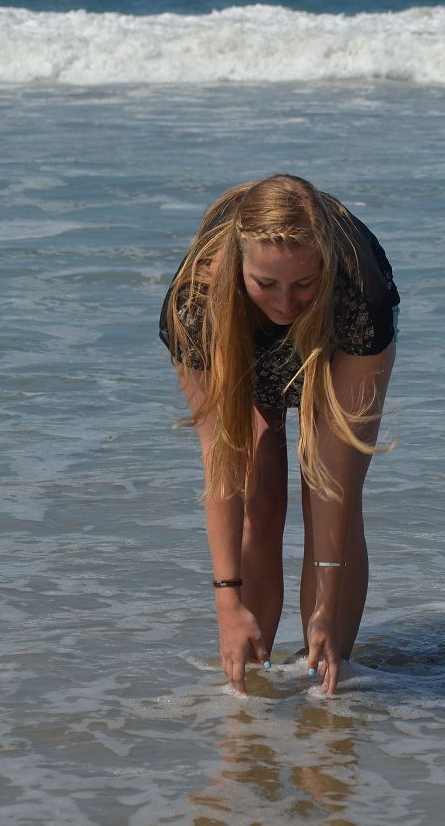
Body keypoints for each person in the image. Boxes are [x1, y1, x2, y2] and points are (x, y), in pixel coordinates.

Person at [159, 174, 398, 696]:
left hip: (335, 336)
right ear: (239, 265)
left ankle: (329, 680)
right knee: (258, 498)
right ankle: (248, 684)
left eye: (302, 283)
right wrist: (227, 602)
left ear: (325, 267)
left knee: (329, 493)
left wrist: (326, 607)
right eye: (266, 283)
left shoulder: (359, 293)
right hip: (238, 336)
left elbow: (332, 480)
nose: (286, 304)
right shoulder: (196, 305)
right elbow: (220, 464)